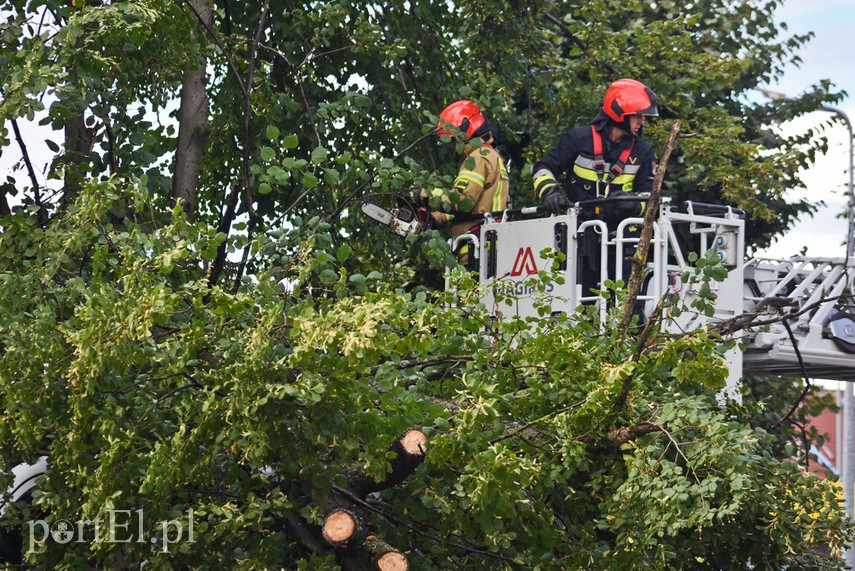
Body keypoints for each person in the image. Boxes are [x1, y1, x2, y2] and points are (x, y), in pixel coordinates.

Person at [531, 79, 659, 296]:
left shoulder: (644, 152)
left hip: (622, 240)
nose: (642, 122)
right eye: (638, 115)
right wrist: (550, 191)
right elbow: (543, 167)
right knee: (583, 303)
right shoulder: (578, 139)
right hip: (581, 238)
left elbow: (650, 199)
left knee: (629, 305)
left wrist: (631, 203)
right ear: (620, 113)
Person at [407, 100, 510, 269]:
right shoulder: (491, 155)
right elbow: (476, 206)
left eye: (453, 140)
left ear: (465, 132)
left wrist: (424, 195)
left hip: (479, 248)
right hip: (485, 246)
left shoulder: (478, 157)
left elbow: (463, 203)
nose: (452, 146)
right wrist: (435, 217)